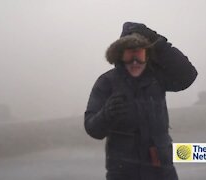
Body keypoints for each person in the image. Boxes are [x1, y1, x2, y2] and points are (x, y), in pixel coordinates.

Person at [84, 22, 198, 180]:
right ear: (119, 56)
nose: (135, 62)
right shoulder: (106, 82)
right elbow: (92, 128)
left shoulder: (156, 79)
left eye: (140, 55)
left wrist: (157, 41)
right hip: (123, 173)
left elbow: (187, 75)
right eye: (129, 56)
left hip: (162, 170)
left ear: (148, 55)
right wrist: (106, 114)